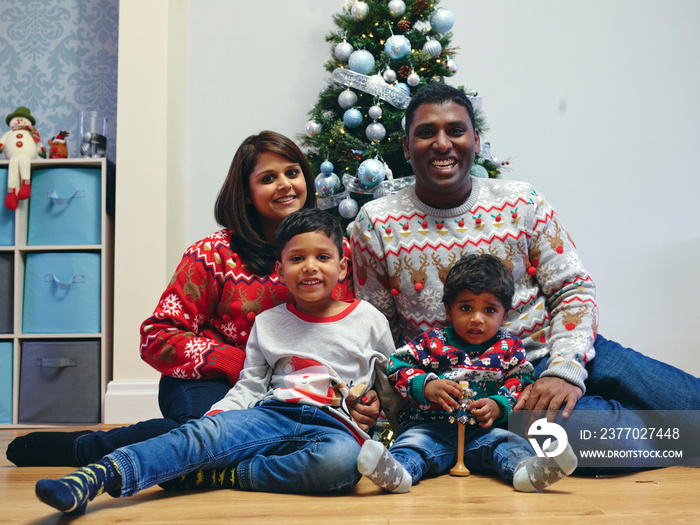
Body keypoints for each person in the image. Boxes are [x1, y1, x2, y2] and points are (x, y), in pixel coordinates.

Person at [350, 81, 700, 474]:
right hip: (498, 392)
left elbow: (573, 290)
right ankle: (679, 441)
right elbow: (379, 332)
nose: (442, 143)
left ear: (476, 141)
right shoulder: (375, 224)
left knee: (687, 400)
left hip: (565, 347)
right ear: (406, 147)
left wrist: (565, 370)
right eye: (426, 132)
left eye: (456, 130)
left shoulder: (522, 202)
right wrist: (398, 408)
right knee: (616, 436)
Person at [7, 131, 378, 467]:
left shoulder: (334, 253)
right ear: (246, 193)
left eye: (292, 173)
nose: (284, 185)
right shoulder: (211, 255)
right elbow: (157, 336)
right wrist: (235, 361)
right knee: (207, 440)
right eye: (268, 178)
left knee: (287, 444)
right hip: (208, 382)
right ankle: (86, 449)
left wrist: (360, 398)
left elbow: (347, 331)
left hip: (292, 390)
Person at [35, 208, 399, 516]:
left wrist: (381, 415)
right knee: (198, 434)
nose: (309, 267)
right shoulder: (269, 322)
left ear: (343, 265)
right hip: (271, 414)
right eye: (296, 259)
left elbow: (388, 381)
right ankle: (97, 476)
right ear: (280, 268)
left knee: (340, 464)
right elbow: (252, 384)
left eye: (322, 257)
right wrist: (216, 422)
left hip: (334, 426)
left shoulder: (367, 319)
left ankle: (224, 474)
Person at [358, 253, 577, 493]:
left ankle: (529, 472)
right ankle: (397, 473)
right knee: (413, 445)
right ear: (448, 311)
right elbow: (397, 366)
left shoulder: (509, 348)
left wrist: (498, 404)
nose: (476, 319)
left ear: (505, 315)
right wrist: (426, 386)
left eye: (489, 310)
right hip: (430, 427)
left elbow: (521, 380)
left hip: (483, 431)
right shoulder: (432, 342)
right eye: (466, 308)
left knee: (509, 445)